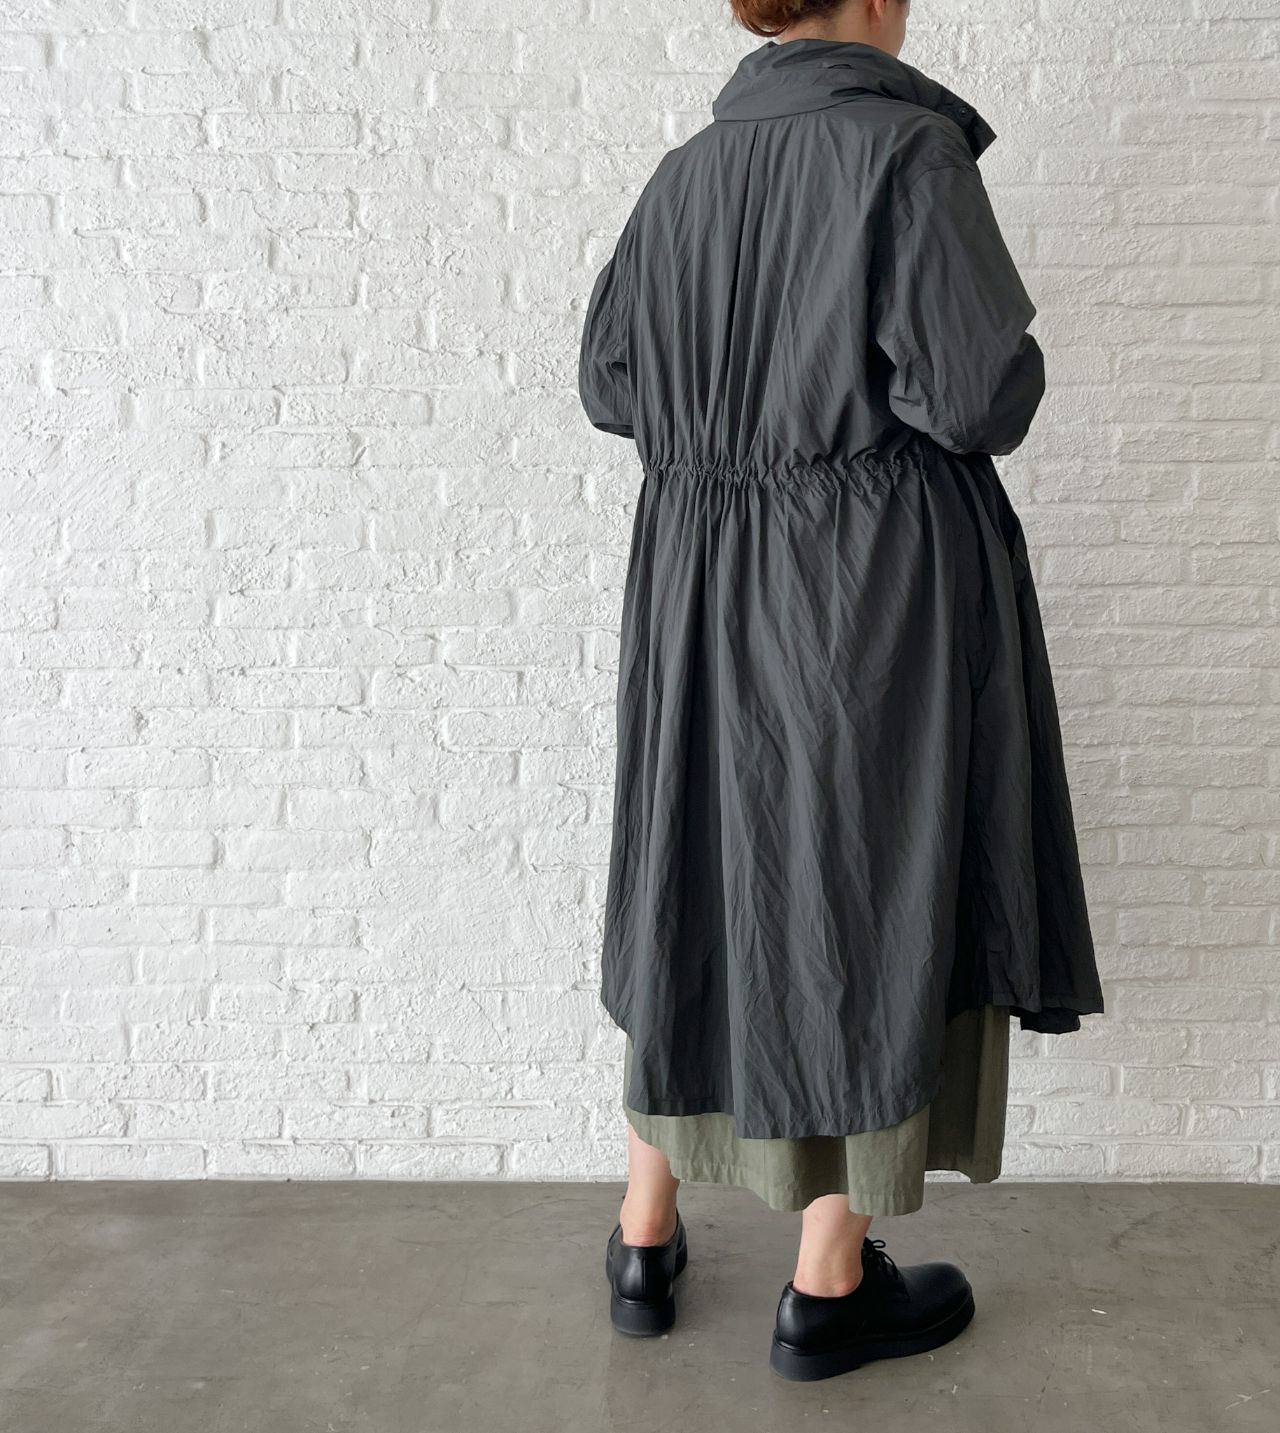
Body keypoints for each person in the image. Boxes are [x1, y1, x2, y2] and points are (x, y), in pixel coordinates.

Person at [579, 0, 1105, 1383]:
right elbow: (979, 393)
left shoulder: (684, 174)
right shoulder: (903, 154)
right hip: (862, 586)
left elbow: (610, 382)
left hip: (696, 582)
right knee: (866, 889)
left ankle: (644, 1236)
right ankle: (827, 1283)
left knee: (696, 870)